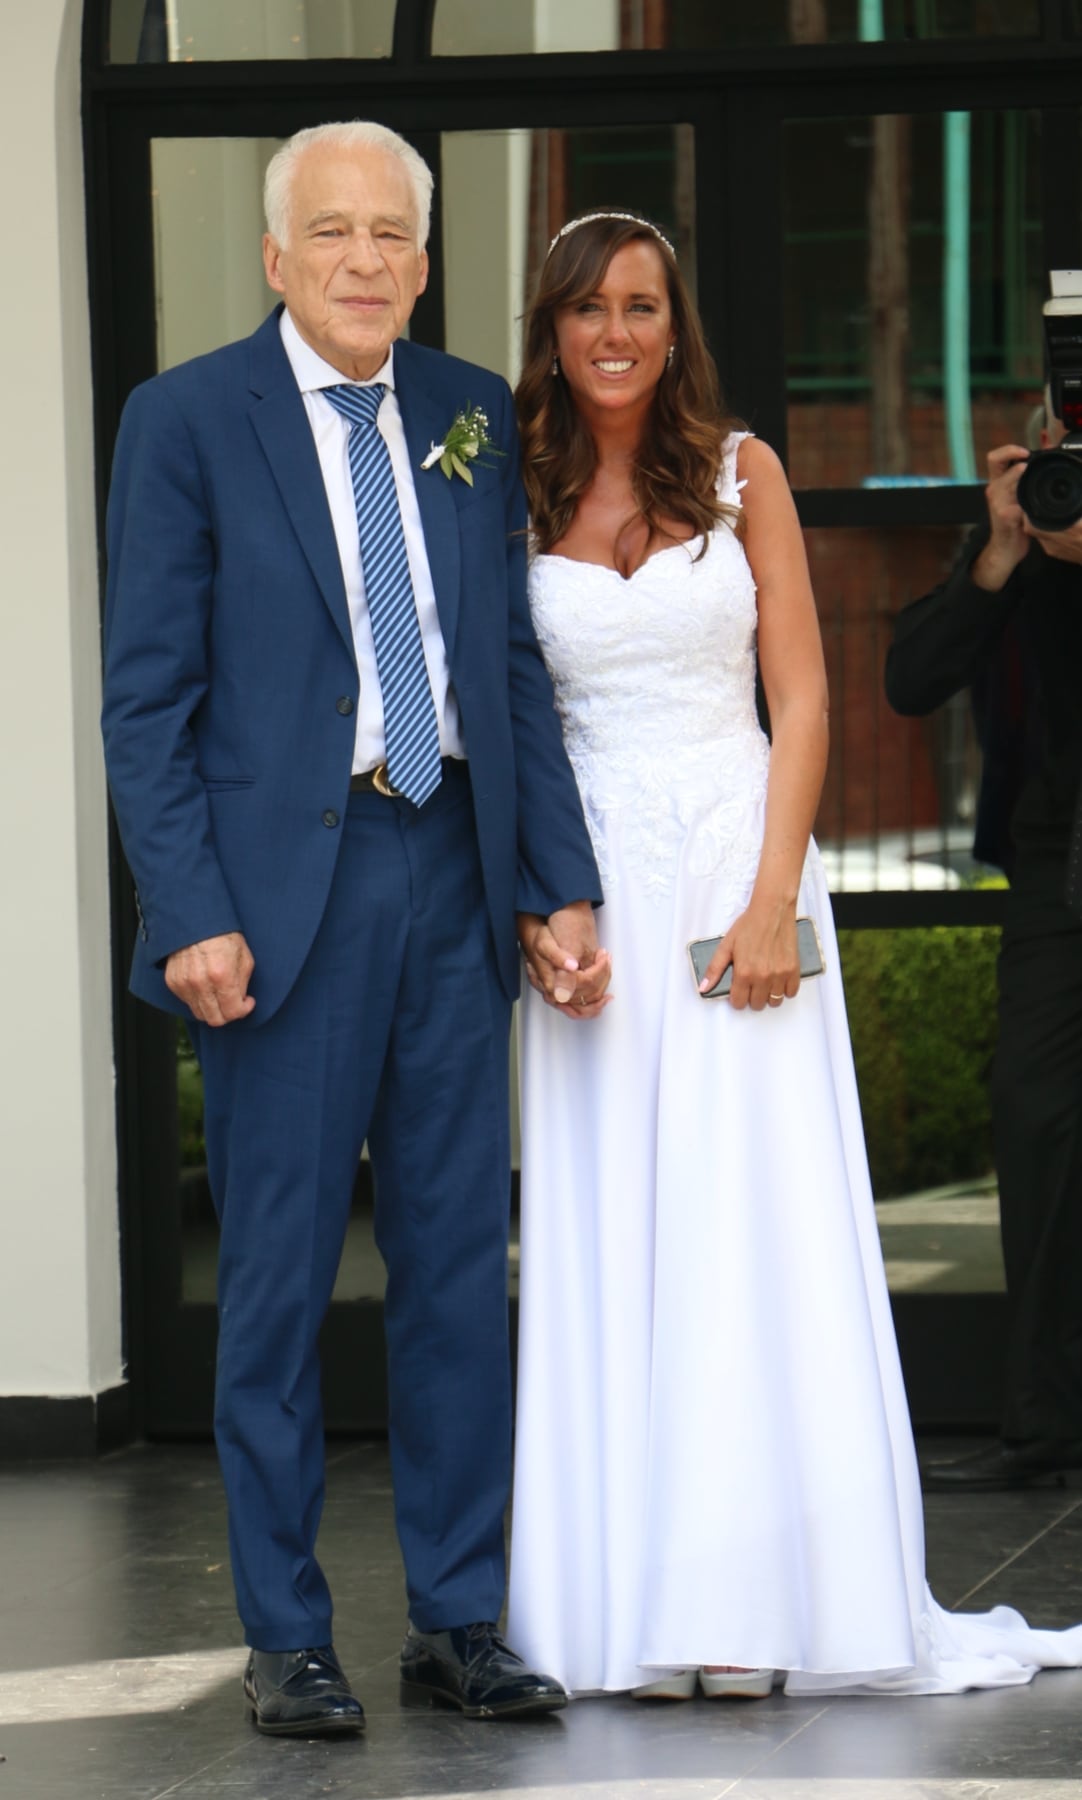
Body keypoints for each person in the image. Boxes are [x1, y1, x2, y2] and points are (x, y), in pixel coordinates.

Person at [504, 209, 1082, 1697]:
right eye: (588, 309)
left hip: (733, 866)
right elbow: (498, 713)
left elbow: (807, 697)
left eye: (641, 304)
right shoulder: (504, 486)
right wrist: (534, 902)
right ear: (552, 330)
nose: (616, 332)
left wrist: (771, 901)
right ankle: (627, 1610)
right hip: (591, 906)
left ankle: (764, 1610)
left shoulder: (743, 471)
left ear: (672, 321)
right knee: (621, 1226)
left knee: (749, 1222)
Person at [100, 121, 609, 1737]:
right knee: (273, 1286)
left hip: (448, 868)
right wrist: (185, 909)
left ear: (424, 255)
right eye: (334, 232)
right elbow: (145, 702)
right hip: (278, 905)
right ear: (274, 258)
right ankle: (285, 1632)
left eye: (393, 233)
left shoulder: (467, 414)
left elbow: (507, 670)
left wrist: (554, 877)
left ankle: (457, 1616)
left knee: (460, 1268)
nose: (367, 260)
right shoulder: (184, 421)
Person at [885, 402, 1082, 1493]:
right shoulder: (1032, 535)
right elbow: (907, 679)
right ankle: (1043, 1416)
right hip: (1059, 863)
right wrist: (1001, 554)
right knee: (1035, 1116)